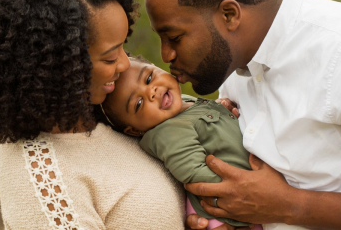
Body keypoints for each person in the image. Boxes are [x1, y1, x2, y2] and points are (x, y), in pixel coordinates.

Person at [0, 0, 186, 229]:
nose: (125, 64)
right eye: (110, 57)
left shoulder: (113, 113)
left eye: (124, 46)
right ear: (56, 66)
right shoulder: (42, 176)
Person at [144, 0, 341, 230]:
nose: (166, 55)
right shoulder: (231, 64)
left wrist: (290, 205)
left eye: (174, 37)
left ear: (229, 14)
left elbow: (271, 201)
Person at [99, 56, 263, 230]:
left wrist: (219, 109)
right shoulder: (166, 133)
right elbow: (196, 175)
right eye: (138, 103)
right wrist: (251, 187)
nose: (151, 92)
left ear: (156, 67)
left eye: (148, 78)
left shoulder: (182, 103)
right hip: (232, 212)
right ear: (134, 130)